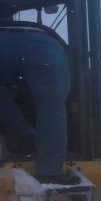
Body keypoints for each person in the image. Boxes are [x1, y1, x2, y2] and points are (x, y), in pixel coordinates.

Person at [0, 22, 71, 183]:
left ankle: (23, 134)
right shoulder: (49, 45)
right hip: (44, 44)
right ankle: (50, 171)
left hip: (2, 39)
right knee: (52, 108)